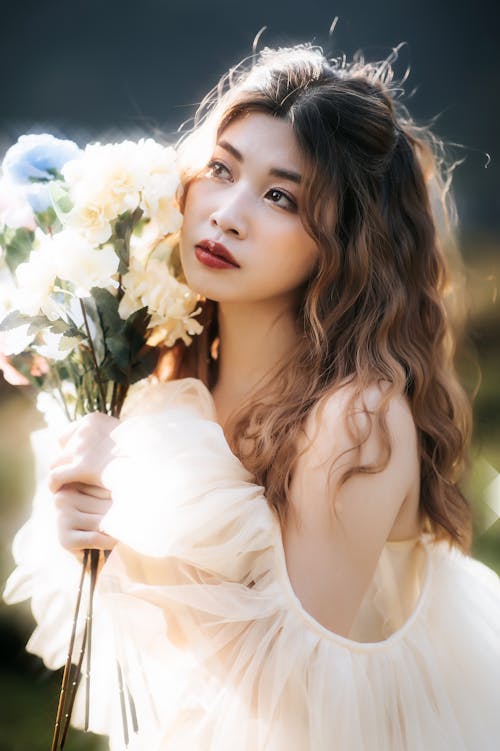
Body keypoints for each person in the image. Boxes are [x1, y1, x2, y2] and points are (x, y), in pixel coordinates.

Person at [4, 43, 500, 750]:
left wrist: (134, 522)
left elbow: (294, 697)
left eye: (281, 197)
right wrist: (89, 521)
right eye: (221, 168)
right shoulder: (172, 375)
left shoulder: (356, 416)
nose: (227, 214)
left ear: (344, 241)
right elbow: (155, 653)